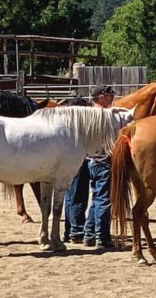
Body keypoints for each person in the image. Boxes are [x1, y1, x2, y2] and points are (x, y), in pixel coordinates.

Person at [85, 86, 116, 248]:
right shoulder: (105, 115)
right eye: (109, 96)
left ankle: (89, 234)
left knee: (96, 198)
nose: (111, 99)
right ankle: (102, 237)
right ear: (102, 97)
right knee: (104, 199)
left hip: (92, 160)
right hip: (104, 160)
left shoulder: (88, 114)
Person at [60, 96, 93, 243]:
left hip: (66, 162)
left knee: (69, 197)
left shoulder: (65, 124)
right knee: (78, 195)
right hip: (78, 161)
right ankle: (77, 230)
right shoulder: (77, 125)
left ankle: (69, 231)